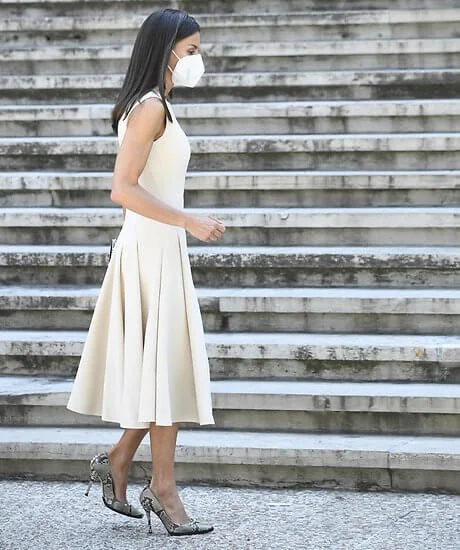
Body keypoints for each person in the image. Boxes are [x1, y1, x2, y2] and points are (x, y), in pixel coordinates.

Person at [66, 7, 226, 537]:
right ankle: (162, 489)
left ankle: (116, 462)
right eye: (192, 51)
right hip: (151, 249)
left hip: (162, 247)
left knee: (161, 373)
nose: (197, 61)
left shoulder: (162, 106)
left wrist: (181, 226)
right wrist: (190, 220)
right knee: (163, 371)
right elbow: (123, 188)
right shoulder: (151, 108)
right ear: (167, 51)